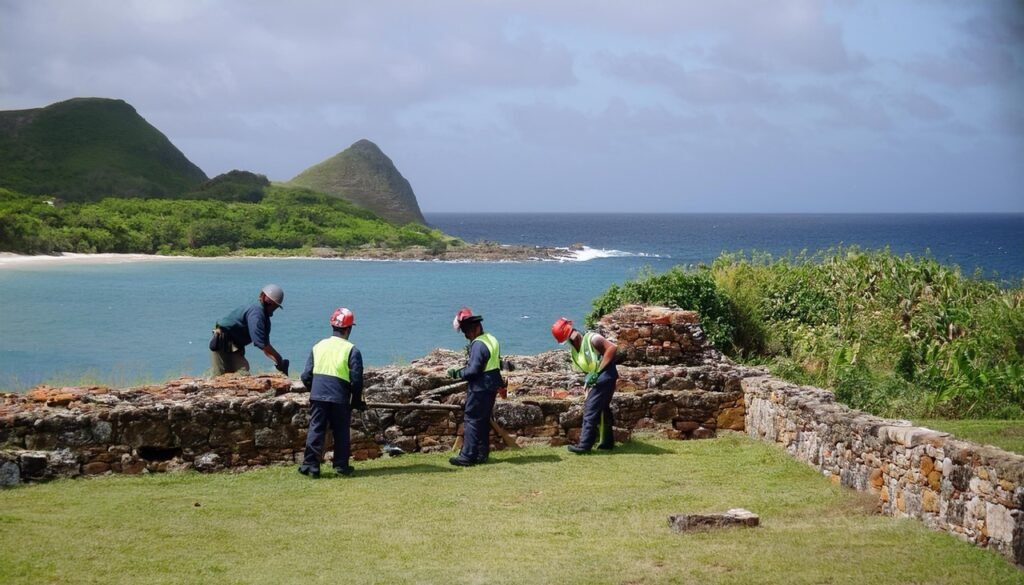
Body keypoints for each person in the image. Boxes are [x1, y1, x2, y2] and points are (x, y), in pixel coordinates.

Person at [298, 307, 366, 478]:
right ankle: (341, 466)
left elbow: (306, 375)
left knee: (316, 429)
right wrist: (356, 400)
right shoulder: (352, 350)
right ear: (349, 329)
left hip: (318, 394)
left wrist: (314, 389)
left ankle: (310, 465)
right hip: (339, 396)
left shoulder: (318, 346)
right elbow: (356, 380)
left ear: (333, 327)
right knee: (341, 431)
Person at [551, 317, 618, 453]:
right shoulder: (575, 350)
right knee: (602, 409)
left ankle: (584, 446)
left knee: (590, 410)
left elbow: (612, 348)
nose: (569, 342)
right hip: (596, 379)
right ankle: (607, 442)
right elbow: (586, 368)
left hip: (605, 376)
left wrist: (598, 372)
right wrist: (588, 381)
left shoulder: (593, 339)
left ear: (573, 334)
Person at [447, 307, 502, 467]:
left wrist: (458, 373)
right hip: (492, 384)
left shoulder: (478, 345)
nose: (466, 335)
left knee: (471, 419)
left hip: (480, 387)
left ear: (475, 328)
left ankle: (467, 455)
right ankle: (481, 453)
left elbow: (473, 370)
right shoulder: (491, 339)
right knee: (483, 420)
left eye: (466, 331)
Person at [209, 284, 289, 376]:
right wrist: (279, 358)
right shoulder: (257, 312)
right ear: (262, 296)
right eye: (269, 303)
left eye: (273, 306)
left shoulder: (264, 317)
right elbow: (261, 343)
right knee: (223, 375)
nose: (271, 307)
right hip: (222, 341)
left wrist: (279, 363)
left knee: (242, 370)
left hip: (234, 345)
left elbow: (265, 346)